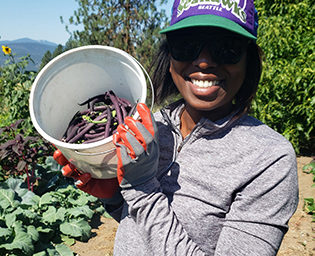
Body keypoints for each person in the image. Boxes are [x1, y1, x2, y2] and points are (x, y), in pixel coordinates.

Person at [54, 0, 299, 255]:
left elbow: (146, 200)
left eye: (227, 48)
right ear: (169, 56)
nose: (204, 62)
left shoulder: (269, 159)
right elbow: (141, 233)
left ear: (249, 60)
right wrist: (115, 198)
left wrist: (142, 189)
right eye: (186, 45)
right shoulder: (152, 126)